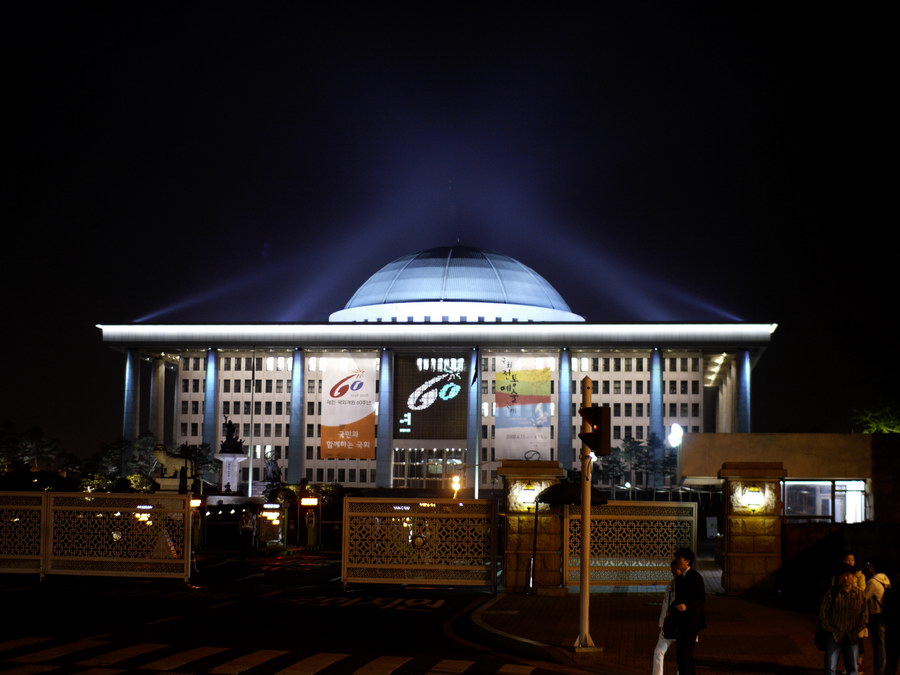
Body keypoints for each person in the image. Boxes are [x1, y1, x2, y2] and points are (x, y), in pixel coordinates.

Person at [821, 563, 869, 675]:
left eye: (848, 575)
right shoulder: (832, 593)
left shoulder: (860, 594)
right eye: (842, 575)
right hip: (834, 636)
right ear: (839, 577)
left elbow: (865, 615)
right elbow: (823, 612)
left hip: (852, 636)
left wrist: (857, 630)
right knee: (830, 669)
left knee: (853, 669)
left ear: (853, 577)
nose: (845, 578)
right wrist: (831, 629)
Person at [671, 547, 706, 675]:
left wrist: (687, 606)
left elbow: (701, 598)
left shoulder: (695, 577)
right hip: (681, 622)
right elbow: (677, 598)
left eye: (679, 558)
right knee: (682, 653)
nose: (677, 560)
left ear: (687, 560)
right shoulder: (680, 578)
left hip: (692, 622)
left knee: (685, 653)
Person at [653, 559, 683, 675]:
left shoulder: (686, 585)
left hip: (682, 625)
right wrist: (662, 624)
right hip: (669, 623)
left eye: (675, 569)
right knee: (658, 652)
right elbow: (665, 605)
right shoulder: (671, 584)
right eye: (672, 569)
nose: (673, 571)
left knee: (682, 655)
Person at [864, 560, 891, 675]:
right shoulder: (886, 579)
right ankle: (882, 668)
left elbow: (864, 598)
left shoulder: (873, 582)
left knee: (878, 645)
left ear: (874, 567)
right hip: (886, 614)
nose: (868, 567)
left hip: (876, 615)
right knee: (883, 643)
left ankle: (879, 670)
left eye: (870, 565)